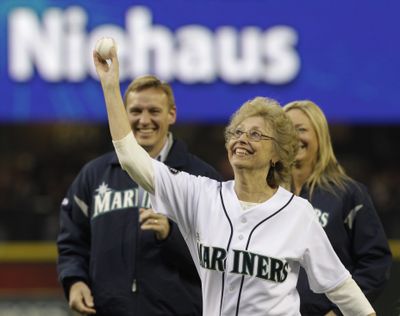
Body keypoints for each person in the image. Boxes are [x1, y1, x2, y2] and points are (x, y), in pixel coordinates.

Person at [93, 43, 377, 316]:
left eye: (256, 134)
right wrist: (109, 87)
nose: (242, 139)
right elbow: (131, 157)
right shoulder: (200, 196)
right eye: (237, 132)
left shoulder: (298, 213)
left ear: (277, 153)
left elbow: (339, 285)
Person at [57, 74, 221, 316]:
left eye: (154, 111)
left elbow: (222, 256)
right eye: (135, 111)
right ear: (123, 116)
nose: (144, 120)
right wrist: (75, 281)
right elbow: (72, 240)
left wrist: (171, 234)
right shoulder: (95, 174)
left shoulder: (201, 177)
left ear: (171, 115)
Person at [283, 100, 392, 316]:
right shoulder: (266, 195)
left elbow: (375, 262)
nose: (294, 137)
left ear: (320, 136)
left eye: (302, 130)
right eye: (285, 131)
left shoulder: (347, 193)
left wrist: (339, 312)